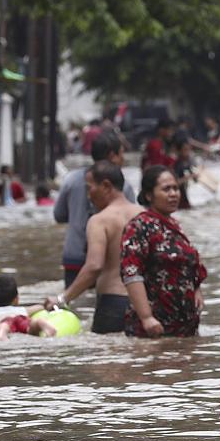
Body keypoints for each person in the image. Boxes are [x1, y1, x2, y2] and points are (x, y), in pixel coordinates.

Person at [44, 161, 145, 334]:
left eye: (89, 188)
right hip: (145, 304)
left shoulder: (100, 221)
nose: (89, 195)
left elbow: (94, 266)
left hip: (113, 304)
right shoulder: (144, 215)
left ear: (106, 186)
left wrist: (63, 299)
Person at [121, 166, 207, 338]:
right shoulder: (139, 226)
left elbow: (187, 266)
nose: (174, 194)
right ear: (148, 195)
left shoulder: (174, 226)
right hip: (155, 329)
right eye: (166, 189)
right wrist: (146, 318)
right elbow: (131, 272)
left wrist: (197, 289)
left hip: (183, 328)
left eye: (176, 188)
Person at [54, 131, 134, 287]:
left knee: (73, 306)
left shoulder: (71, 180)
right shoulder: (123, 187)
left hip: (75, 255)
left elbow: (59, 215)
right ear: (112, 155)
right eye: (121, 154)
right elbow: (133, 225)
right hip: (109, 260)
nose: (123, 159)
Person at [0, 275, 57, 340]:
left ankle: (2, 332)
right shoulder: (21, 310)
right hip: (19, 319)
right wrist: (45, 307)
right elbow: (37, 308)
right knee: (30, 328)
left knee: (2, 326)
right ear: (17, 299)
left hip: (4, 323)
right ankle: (37, 323)